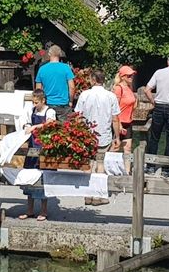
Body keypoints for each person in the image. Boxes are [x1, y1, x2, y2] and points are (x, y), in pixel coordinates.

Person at [75, 69, 121, 205]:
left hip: (87, 134)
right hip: (103, 134)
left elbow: (78, 116)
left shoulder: (85, 94)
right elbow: (115, 119)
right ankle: (97, 195)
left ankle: (88, 194)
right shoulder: (111, 96)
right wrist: (117, 137)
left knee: (88, 164)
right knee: (100, 165)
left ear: (93, 80)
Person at [20, 89, 55, 221]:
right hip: (33, 144)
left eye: (36, 102)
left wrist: (35, 127)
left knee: (43, 177)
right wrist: (27, 126)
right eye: (33, 102)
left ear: (43, 100)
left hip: (43, 145)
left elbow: (50, 123)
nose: (34, 105)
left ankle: (43, 210)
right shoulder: (32, 110)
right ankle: (29, 209)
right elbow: (28, 122)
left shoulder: (49, 111)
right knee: (29, 175)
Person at [34, 45, 75, 121]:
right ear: (60, 54)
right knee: (64, 127)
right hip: (63, 105)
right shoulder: (66, 68)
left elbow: (38, 89)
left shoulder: (42, 69)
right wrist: (71, 101)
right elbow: (72, 87)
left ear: (49, 54)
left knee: (48, 127)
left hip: (48, 104)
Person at [112, 65, 137, 154]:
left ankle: (127, 164)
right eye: (129, 75)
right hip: (119, 122)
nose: (131, 77)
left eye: (132, 75)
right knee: (115, 148)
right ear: (122, 77)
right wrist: (118, 125)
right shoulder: (118, 88)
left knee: (128, 148)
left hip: (128, 122)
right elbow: (115, 108)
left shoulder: (130, 88)